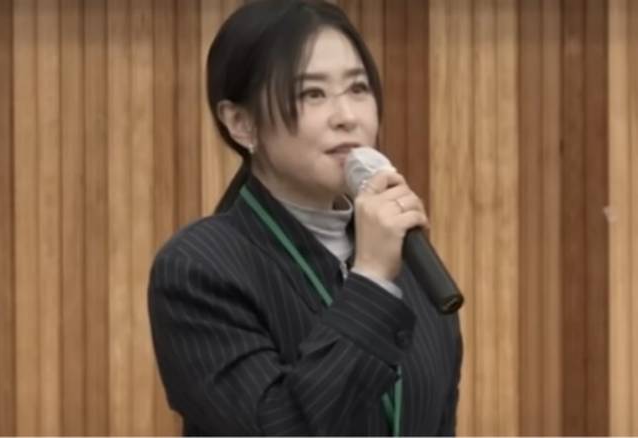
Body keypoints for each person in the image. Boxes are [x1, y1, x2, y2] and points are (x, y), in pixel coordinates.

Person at [148, 0, 462, 435]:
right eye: (312, 94)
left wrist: (380, 269)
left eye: (358, 88)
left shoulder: (407, 263)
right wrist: (371, 280)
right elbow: (278, 427)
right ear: (241, 123)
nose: (347, 117)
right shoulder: (198, 270)